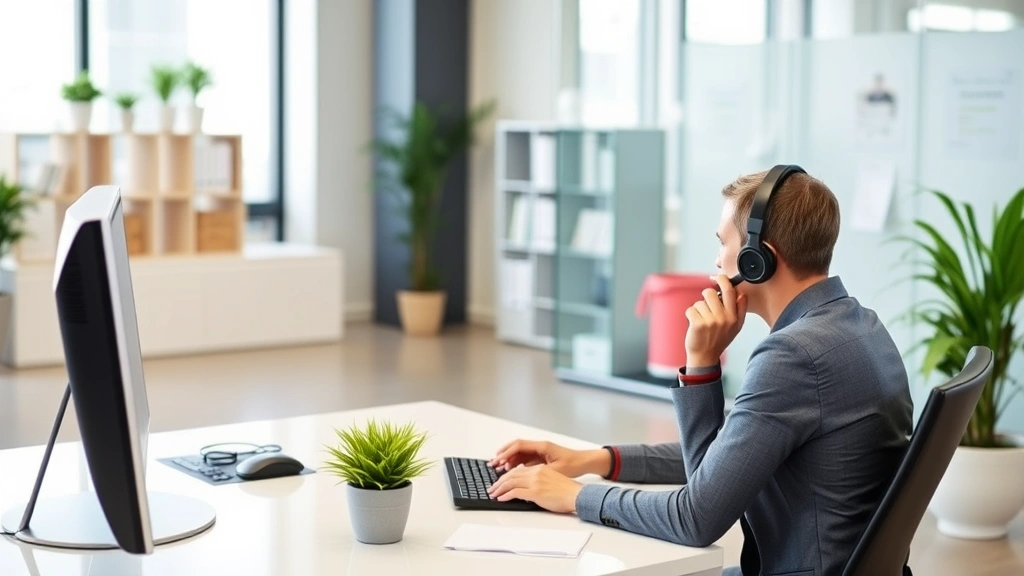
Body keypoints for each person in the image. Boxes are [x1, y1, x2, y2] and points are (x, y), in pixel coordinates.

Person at [487, 168, 914, 576]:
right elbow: (735, 455)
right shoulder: (861, 325)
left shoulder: (793, 356)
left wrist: (576, 496)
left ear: (757, 260)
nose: (715, 261)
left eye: (722, 244)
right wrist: (598, 460)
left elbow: (696, 518)